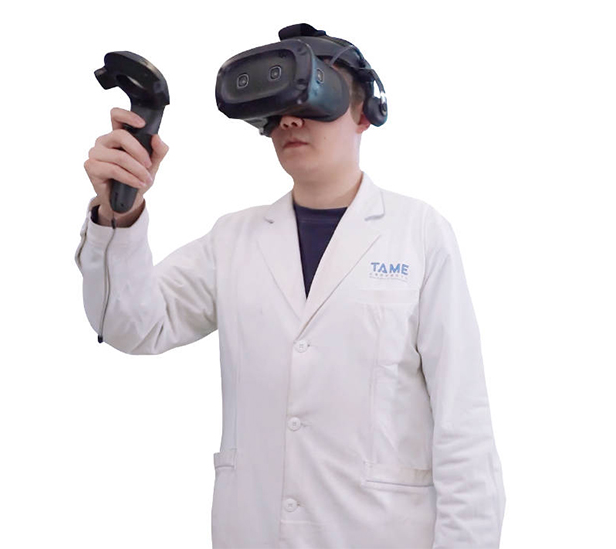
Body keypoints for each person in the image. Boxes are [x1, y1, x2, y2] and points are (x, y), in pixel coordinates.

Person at [75, 48, 506, 548]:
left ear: (364, 113)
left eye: (315, 98)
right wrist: (117, 215)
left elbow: (463, 422)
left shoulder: (419, 234)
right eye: (279, 108)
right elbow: (127, 325)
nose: (292, 120)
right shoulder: (233, 239)